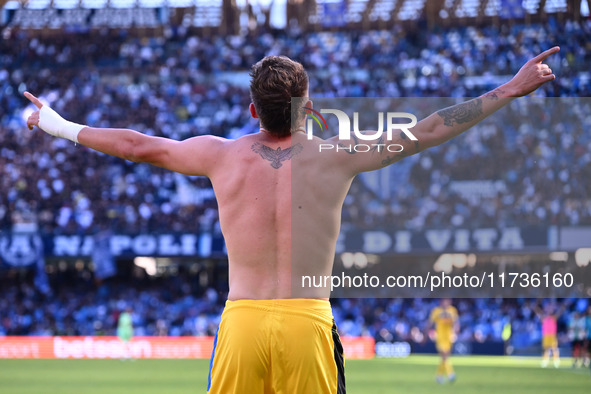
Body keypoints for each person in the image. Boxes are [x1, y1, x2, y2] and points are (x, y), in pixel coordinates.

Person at [24, 46, 559, 393]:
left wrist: (56, 123)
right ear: (307, 106)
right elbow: (429, 129)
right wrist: (509, 90)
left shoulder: (219, 155)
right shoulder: (340, 153)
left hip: (241, 324)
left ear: (253, 110)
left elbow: (137, 144)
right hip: (307, 323)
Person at [428, 299, 459, 383]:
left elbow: (456, 322)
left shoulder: (452, 310)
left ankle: (439, 376)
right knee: (444, 355)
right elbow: (430, 322)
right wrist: (427, 332)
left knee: (445, 357)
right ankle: (450, 374)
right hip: (440, 337)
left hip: (449, 336)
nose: (446, 303)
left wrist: (456, 332)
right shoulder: (436, 311)